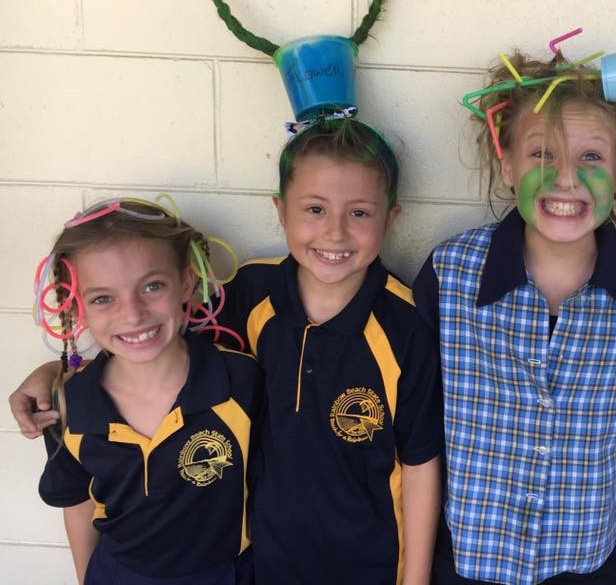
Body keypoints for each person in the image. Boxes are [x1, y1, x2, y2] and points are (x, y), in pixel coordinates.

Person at [14, 116, 444, 585]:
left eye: (359, 212)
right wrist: (52, 373)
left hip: (366, 562)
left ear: (391, 217)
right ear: (281, 211)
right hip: (258, 562)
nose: (335, 233)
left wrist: (416, 579)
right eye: (315, 209)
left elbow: (420, 461)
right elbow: (146, 341)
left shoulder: (406, 324)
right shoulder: (246, 294)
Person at [414, 51, 616, 585]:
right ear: (507, 165)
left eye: (591, 157)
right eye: (541, 153)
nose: (565, 178)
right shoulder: (450, 274)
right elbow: (424, 422)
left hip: (585, 558)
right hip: (467, 556)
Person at [35, 199, 262, 584]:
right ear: (78, 306)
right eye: (103, 298)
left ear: (187, 283)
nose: (133, 314)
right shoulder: (67, 405)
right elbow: (76, 501)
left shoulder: (240, 380)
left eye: (152, 286)